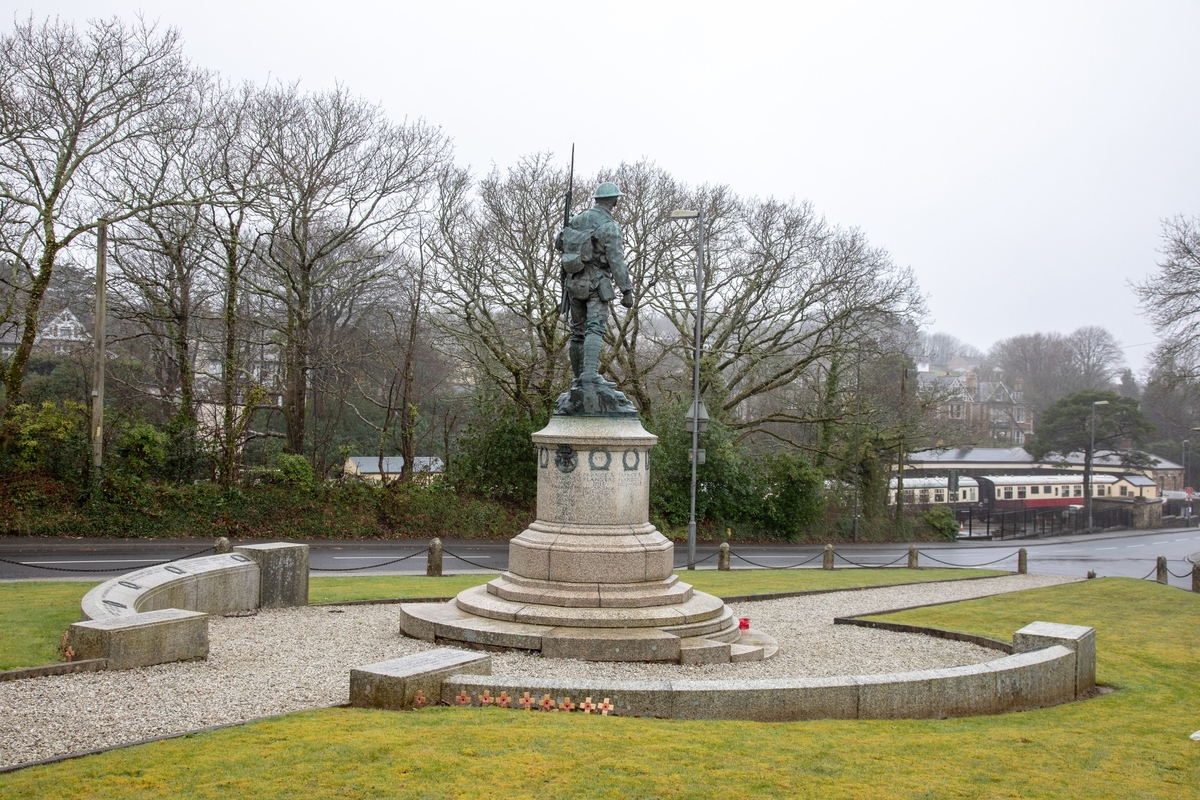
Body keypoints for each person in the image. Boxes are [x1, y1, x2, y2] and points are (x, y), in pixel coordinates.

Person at [553, 182, 636, 415]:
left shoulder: (577, 220)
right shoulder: (610, 227)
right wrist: (626, 289)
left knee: (577, 331)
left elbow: (559, 244)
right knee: (595, 328)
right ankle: (589, 376)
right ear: (614, 201)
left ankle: (579, 380)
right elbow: (616, 261)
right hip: (596, 283)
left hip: (573, 283)